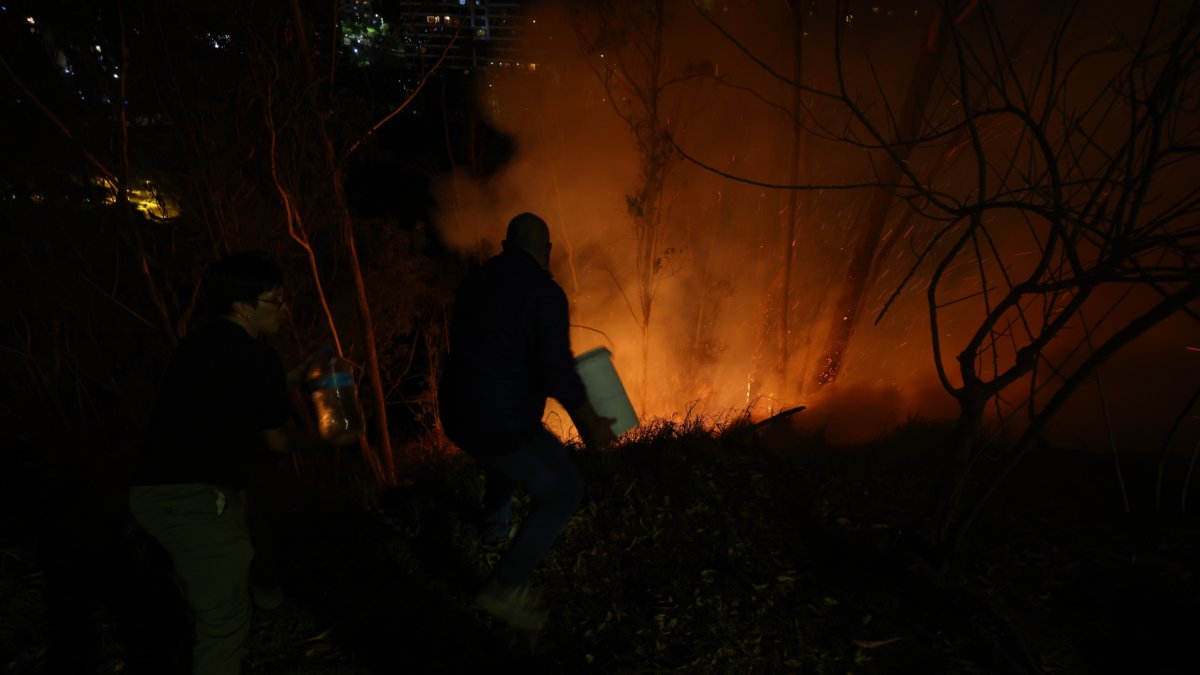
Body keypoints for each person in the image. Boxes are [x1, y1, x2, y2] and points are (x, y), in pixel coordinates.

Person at [128, 252, 339, 675]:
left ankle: (268, 604)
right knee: (222, 626)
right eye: (274, 300)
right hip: (196, 501)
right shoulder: (257, 356)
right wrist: (329, 439)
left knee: (250, 526)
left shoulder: (198, 344)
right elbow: (278, 442)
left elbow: (242, 387)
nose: (283, 309)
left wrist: (297, 374)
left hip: (151, 492)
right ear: (243, 306)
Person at [439, 212, 616, 633]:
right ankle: (503, 587)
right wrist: (590, 423)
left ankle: (495, 531)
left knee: (503, 459)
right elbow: (556, 368)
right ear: (548, 250)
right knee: (565, 488)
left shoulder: (474, 282)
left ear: (506, 244)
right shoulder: (544, 292)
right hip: (499, 419)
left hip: (455, 411)